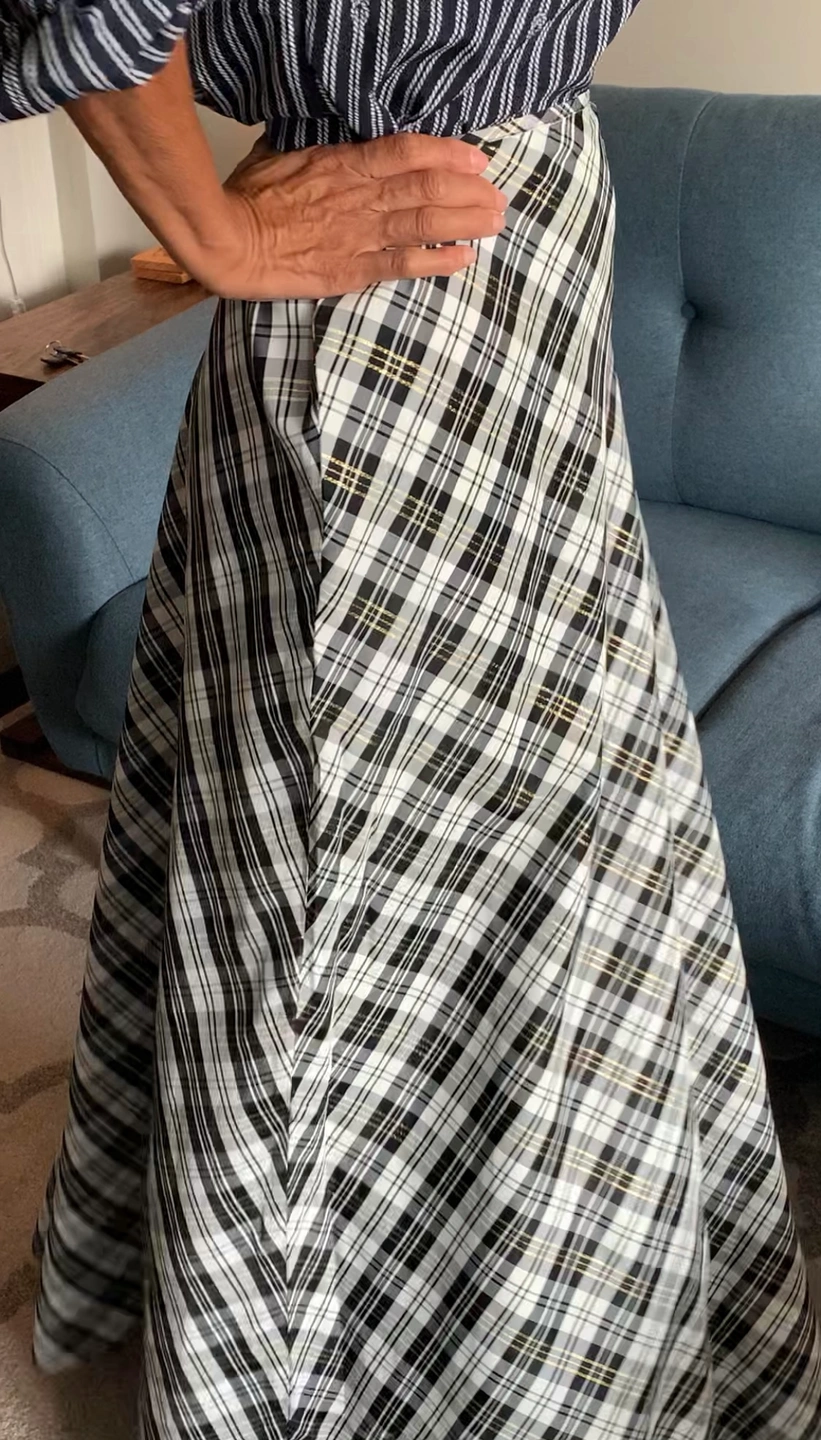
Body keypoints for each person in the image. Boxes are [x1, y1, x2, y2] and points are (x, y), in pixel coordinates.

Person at [2, 2, 819, 1436]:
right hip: (385, 322)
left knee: (573, 868)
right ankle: (311, 1367)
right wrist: (215, 234)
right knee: (345, 906)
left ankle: (554, 1337)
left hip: (535, 275)